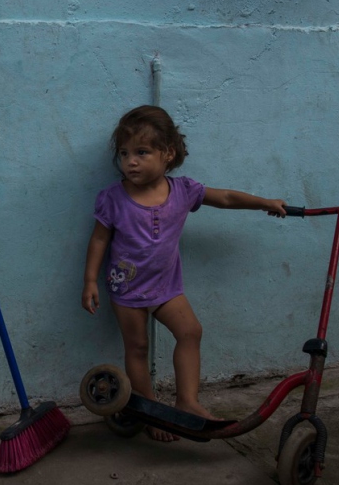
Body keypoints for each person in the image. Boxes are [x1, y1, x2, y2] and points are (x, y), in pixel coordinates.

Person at [81, 105, 287, 442]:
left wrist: (264, 202)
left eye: (142, 152)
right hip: (127, 290)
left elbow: (226, 198)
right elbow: (99, 239)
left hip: (165, 287)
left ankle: (187, 401)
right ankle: (151, 411)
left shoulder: (183, 191)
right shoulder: (113, 199)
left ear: (168, 154)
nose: (130, 161)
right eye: (124, 153)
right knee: (137, 347)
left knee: (190, 332)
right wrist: (90, 280)